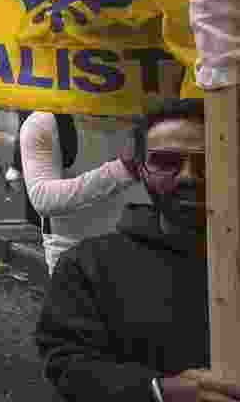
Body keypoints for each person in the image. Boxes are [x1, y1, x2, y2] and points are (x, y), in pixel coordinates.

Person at [36, 99, 240, 402]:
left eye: (205, 161)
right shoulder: (87, 266)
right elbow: (67, 364)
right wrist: (155, 390)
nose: (187, 176)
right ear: (141, 170)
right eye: (166, 161)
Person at [18, 111, 147, 274]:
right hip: (76, 260)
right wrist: (121, 170)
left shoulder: (149, 112)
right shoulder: (46, 122)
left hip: (141, 249)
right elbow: (42, 198)